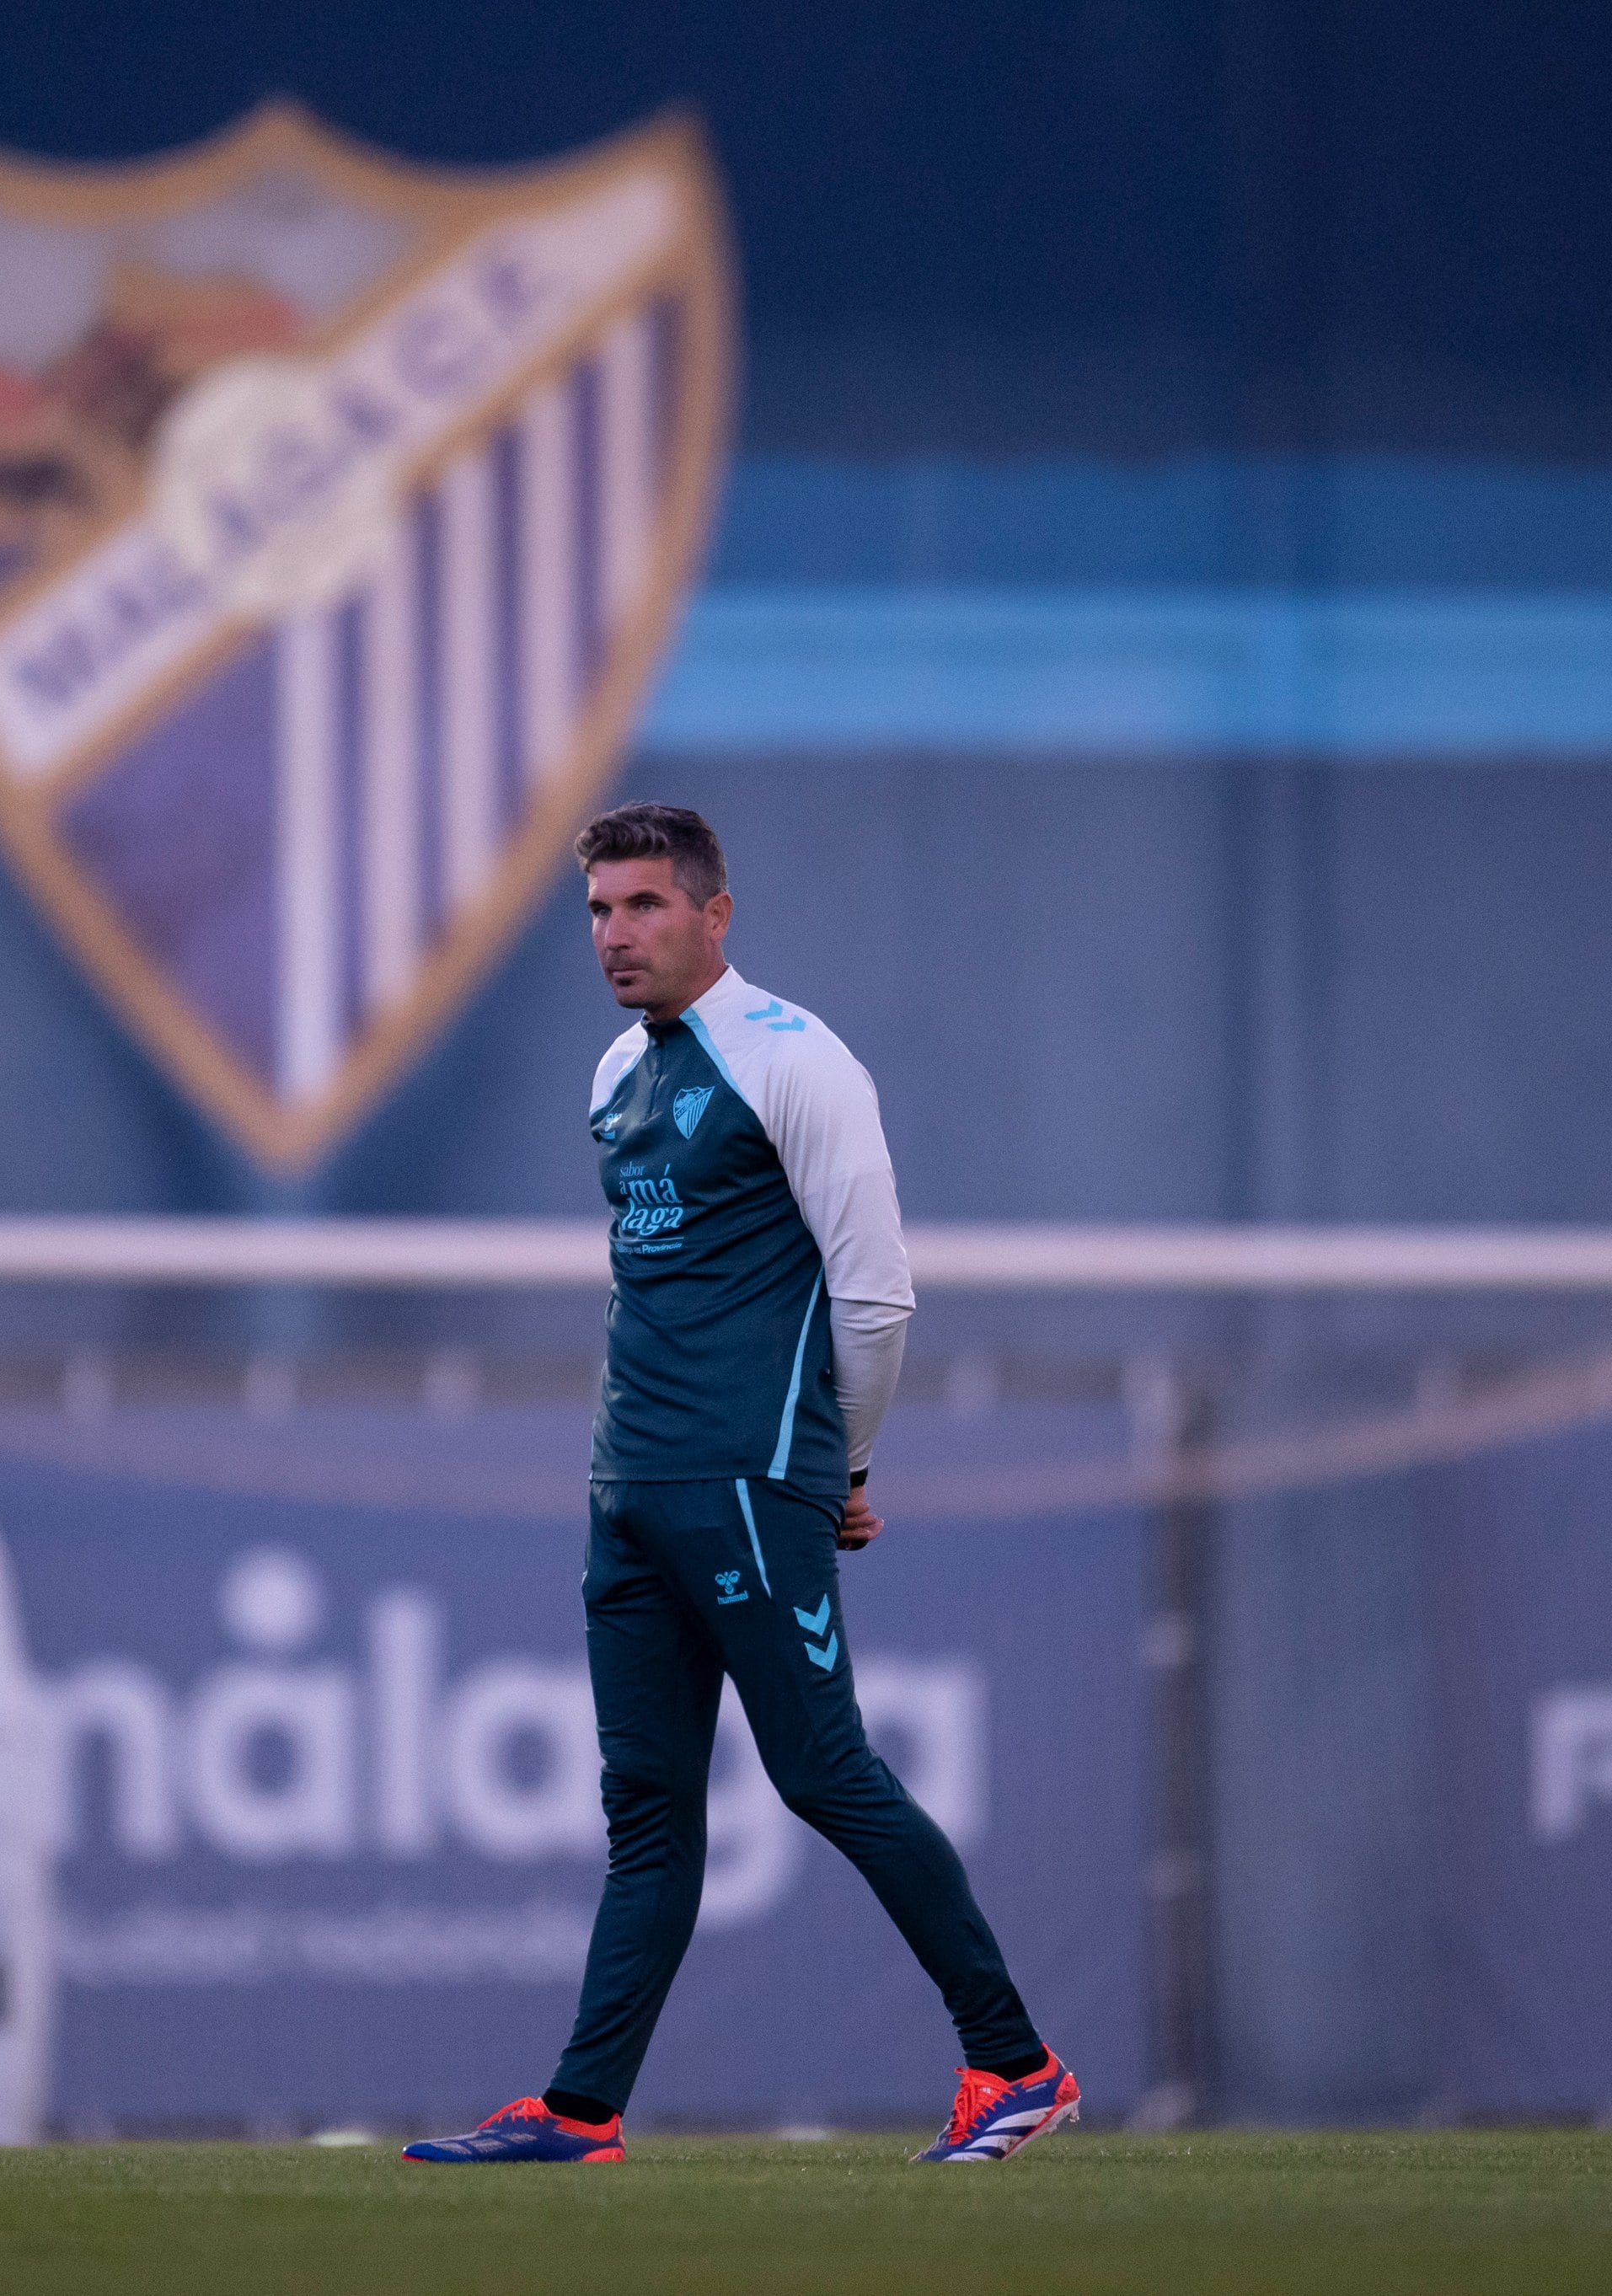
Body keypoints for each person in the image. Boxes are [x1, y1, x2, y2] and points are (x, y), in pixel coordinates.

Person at [404, 801, 1077, 2168]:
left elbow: (876, 1295)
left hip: (748, 1483)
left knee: (824, 1771)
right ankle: (583, 2110)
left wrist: (843, 1464)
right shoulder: (614, 1073)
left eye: (644, 905)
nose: (615, 935)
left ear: (716, 912)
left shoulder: (797, 1060)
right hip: (630, 1489)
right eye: (597, 910)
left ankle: (1016, 2063)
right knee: (645, 1811)